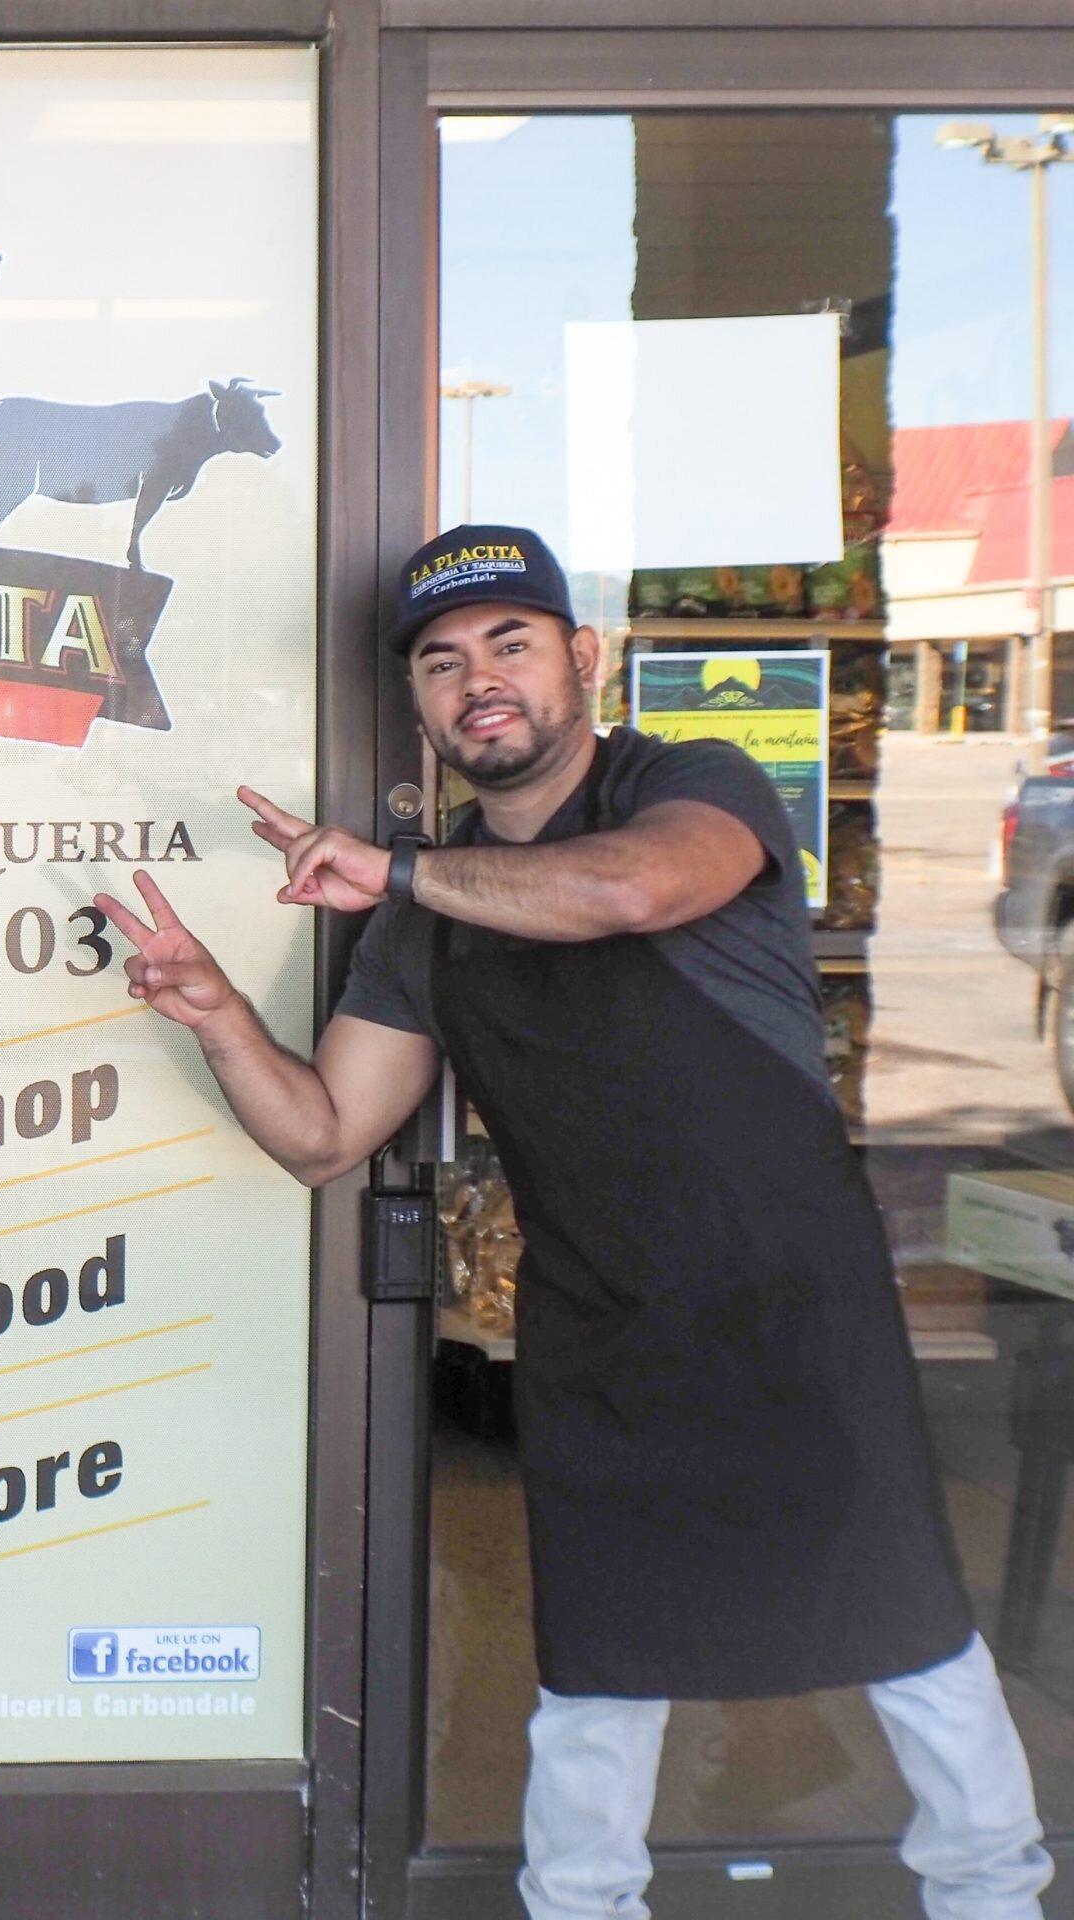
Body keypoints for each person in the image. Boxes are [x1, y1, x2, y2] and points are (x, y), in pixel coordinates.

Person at [95, 524, 1051, 1920]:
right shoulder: (422, 917)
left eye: (510, 644)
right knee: (597, 1681)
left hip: (797, 1299)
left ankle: (991, 1899)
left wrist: (400, 874)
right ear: (420, 706)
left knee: (915, 1644)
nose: (477, 681)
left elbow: (629, 889)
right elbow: (320, 1133)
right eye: (441, 662)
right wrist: (222, 1015)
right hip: (603, 1325)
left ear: (581, 659)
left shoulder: (691, 785)